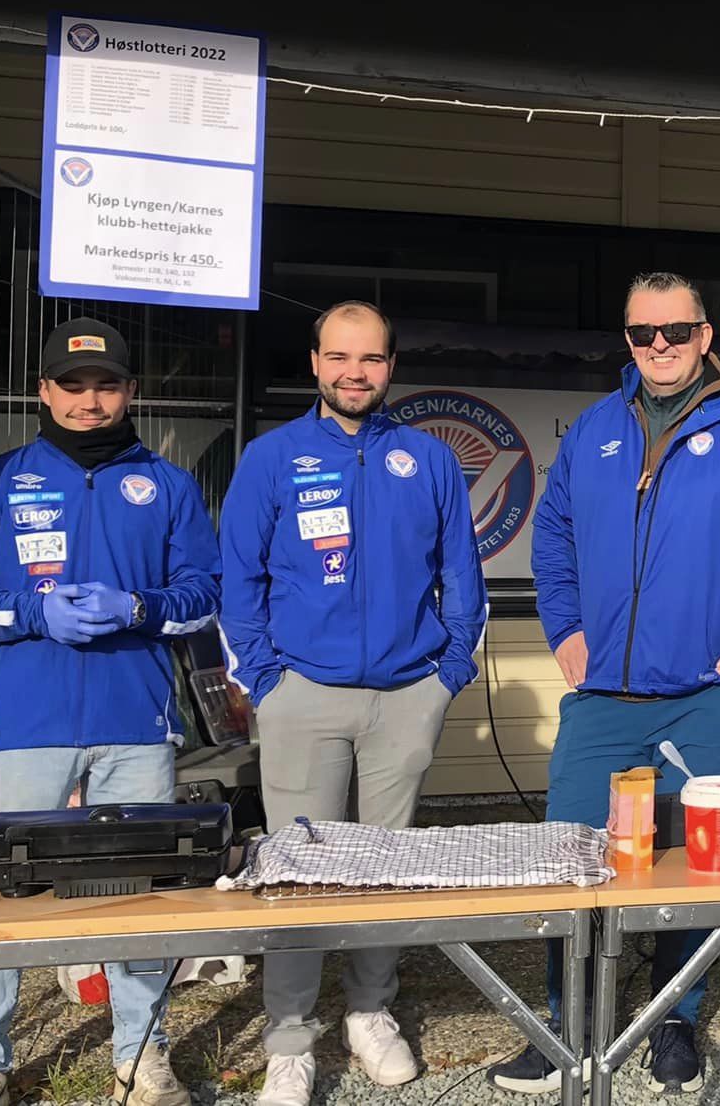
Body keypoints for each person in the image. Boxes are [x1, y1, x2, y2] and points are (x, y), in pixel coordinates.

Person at [493, 272, 720, 1096]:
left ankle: (674, 1022)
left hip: (702, 696)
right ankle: (567, 1025)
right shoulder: (595, 429)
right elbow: (553, 533)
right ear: (627, 339)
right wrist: (565, 627)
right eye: (643, 333)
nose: (660, 346)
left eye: (676, 331)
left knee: (694, 873)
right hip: (602, 703)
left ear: (705, 335)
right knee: (571, 863)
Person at [0, 317, 221, 1106]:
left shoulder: (167, 485)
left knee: (138, 898)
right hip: (24, 726)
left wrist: (138, 607)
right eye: (73, 385)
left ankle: (142, 1056)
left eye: (107, 385)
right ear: (45, 391)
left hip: (136, 724)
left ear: (131, 391)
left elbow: (204, 596)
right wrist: (33, 611)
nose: (90, 401)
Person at [218, 300, 486, 1106]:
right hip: (303, 692)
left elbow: (461, 572)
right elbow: (240, 578)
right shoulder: (271, 458)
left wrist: (447, 675)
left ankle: (370, 1011)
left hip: (408, 694)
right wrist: (265, 679)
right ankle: (290, 1039)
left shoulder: (428, 459)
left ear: (391, 366)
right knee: (298, 872)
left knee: (387, 869)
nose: (354, 373)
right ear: (314, 363)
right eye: (339, 357)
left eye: (370, 358)